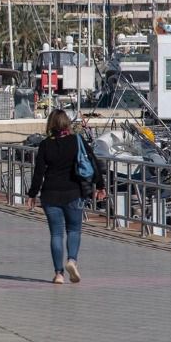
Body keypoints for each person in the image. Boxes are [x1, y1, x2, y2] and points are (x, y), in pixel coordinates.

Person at [26, 109, 107, 284]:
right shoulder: (77, 141)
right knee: (74, 230)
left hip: (50, 194)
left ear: (51, 125)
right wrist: (100, 186)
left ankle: (58, 274)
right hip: (74, 193)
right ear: (66, 123)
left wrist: (32, 194)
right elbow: (93, 162)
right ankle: (72, 260)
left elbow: (39, 173)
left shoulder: (45, 144)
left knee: (56, 234)